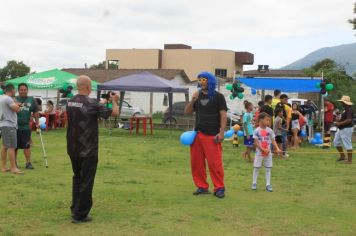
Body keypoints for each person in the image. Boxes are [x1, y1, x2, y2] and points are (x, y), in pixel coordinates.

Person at [66, 75, 119, 223]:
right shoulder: (92, 103)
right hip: (88, 149)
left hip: (73, 147)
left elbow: (89, 108)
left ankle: (75, 207)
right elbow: (114, 113)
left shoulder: (70, 102)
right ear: (89, 87)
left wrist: (104, 102)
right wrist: (114, 102)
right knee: (86, 181)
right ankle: (80, 214)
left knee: (77, 178)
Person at [184, 71, 227, 199]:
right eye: (200, 80)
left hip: (213, 135)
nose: (201, 82)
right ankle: (202, 186)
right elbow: (187, 111)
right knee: (196, 163)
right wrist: (193, 100)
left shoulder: (219, 97)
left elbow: (223, 115)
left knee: (215, 163)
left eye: (204, 79)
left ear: (210, 81)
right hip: (198, 134)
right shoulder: (198, 96)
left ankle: (219, 188)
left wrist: (221, 132)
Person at [251, 112, 282, 192]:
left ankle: (268, 184)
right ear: (261, 120)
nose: (268, 122)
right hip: (259, 153)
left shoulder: (270, 131)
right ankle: (254, 183)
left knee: (268, 168)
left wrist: (277, 148)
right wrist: (262, 149)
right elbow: (256, 142)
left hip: (268, 153)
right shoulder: (256, 130)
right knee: (256, 167)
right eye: (267, 120)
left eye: (269, 120)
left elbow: (273, 140)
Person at [15, 83, 39, 169]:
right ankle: (14, 163)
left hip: (26, 127)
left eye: (25, 90)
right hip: (15, 127)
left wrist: (37, 124)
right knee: (15, 146)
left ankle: (28, 163)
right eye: (21, 90)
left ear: (27, 90)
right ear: (18, 90)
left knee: (27, 145)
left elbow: (36, 112)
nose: (23, 91)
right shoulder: (14, 99)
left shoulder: (32, 100)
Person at [0, 84, 22, 174]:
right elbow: (17, 109)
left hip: (3, 124)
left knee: (5, 146)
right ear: (12, 90)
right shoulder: (8, 99)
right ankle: (13, 168)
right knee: (12, 147)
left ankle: (4, 167)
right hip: (9, 124)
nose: (15, 91)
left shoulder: (1, 97)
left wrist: (15, 104)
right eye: (15, 90)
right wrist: (19, 106)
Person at [334, 96, 354, 164]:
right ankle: (342, 156)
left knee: (347, 144)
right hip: (341, 128)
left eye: (342, 102)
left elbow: (349, 120)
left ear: (345, 103)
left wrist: (339, 123)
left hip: (347, 129)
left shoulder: (349, 109)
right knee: (336, 142)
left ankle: (349, 160)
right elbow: (345, 119)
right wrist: (338, 120)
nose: (341, 103)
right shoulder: (345, 109)